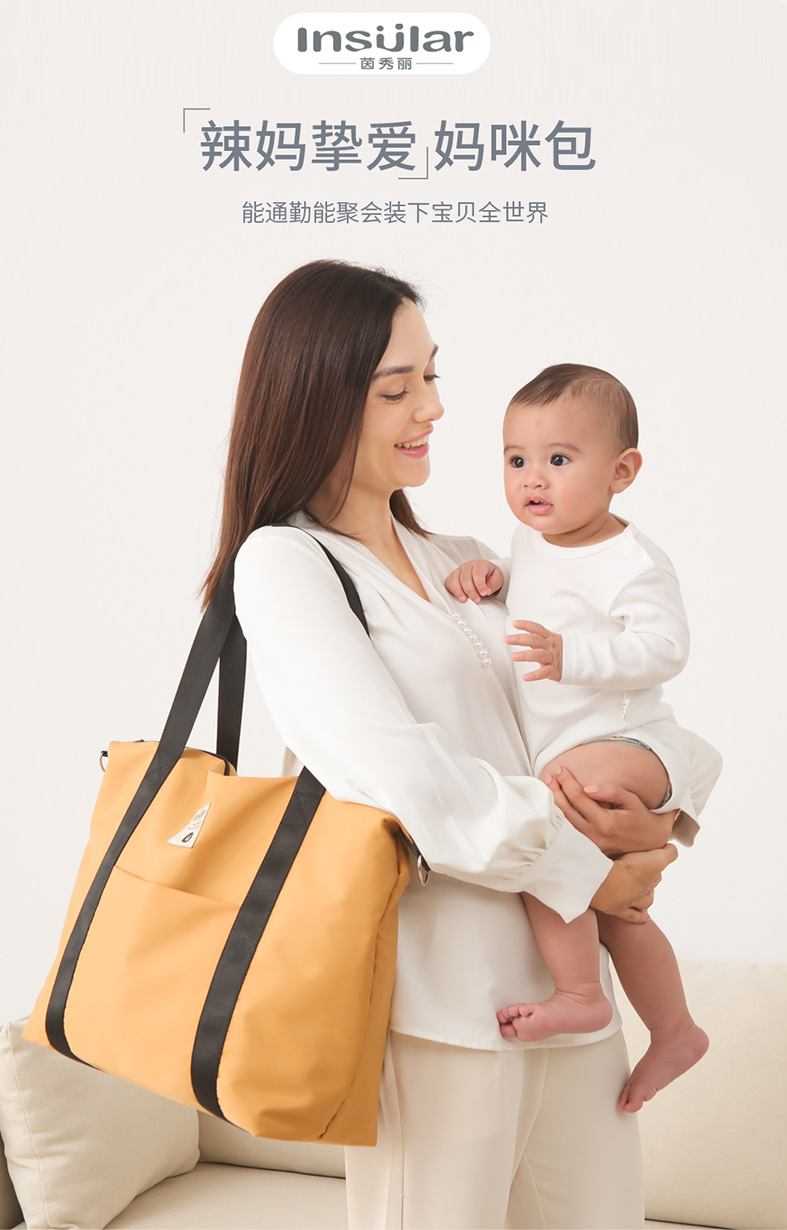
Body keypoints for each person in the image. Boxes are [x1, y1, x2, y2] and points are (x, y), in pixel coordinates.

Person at [202, 262, 717, 1230]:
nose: (434, 408)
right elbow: (409, 784)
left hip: (573, 1000)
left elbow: (618, 711)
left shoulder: (470, 562)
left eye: (432, 376)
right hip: (439, 1012)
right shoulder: (285, 564)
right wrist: (590, 869)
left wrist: (660, 816)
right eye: (397, 389)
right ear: (318, 397)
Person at [445, 363, 719, 1113]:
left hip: (631, 741)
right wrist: (494, 574)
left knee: (541, 829)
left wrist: (574, 657)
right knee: (616, 909)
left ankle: (578, 994)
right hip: (585, 752)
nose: (533, 478)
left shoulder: (633, 562)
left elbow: (666, 648)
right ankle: (676, 1030)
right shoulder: (533, 540)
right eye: (517, 459)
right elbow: (540, 586)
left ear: (621, 472)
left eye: (559, 459)